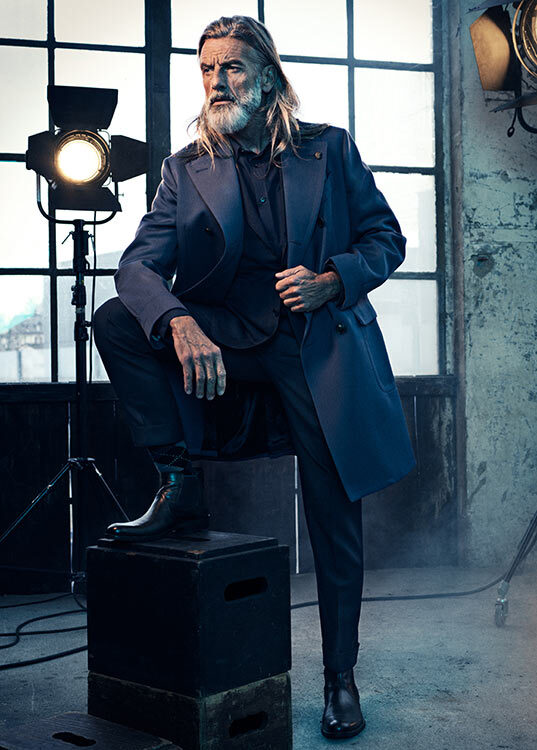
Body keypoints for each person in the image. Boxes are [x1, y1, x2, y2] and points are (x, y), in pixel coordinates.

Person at [93, 15, 416, 740]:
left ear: (267, 77)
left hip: (312, 342)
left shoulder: (329, 148)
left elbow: (386, 237)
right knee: (119, 319)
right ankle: (177, 483)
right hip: (227, 336)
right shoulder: (185, 168)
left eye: (232, 67)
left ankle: (340, 679)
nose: (216, 82)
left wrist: (335, 280)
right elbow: (137, 266)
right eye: (207, 69)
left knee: (333, 511)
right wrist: (179, 321)